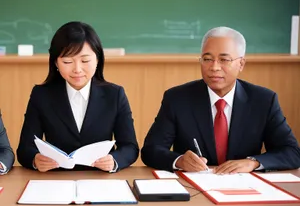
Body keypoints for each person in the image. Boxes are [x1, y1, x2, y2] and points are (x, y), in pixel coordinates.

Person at [141, 26, 300, 174]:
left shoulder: (263, 100)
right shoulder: (177, 98)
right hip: (195, 188)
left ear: (241, 64)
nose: (214, 67)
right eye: (207, 59)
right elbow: (151, 150)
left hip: (245, 190)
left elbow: (292, 152)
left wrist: (253, 163)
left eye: (224, 60)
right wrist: (179, 161)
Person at [17, 21, 139, 172]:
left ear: (97, 59)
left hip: (102, 179)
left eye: (85, 60)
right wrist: (35, 160)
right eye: (67, 61)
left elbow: (130, 147)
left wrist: (114, 160)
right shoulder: (41, 95)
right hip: (54, 180)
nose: (77, 69)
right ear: (56, 62)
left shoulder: (115, 94)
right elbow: (25, 149)